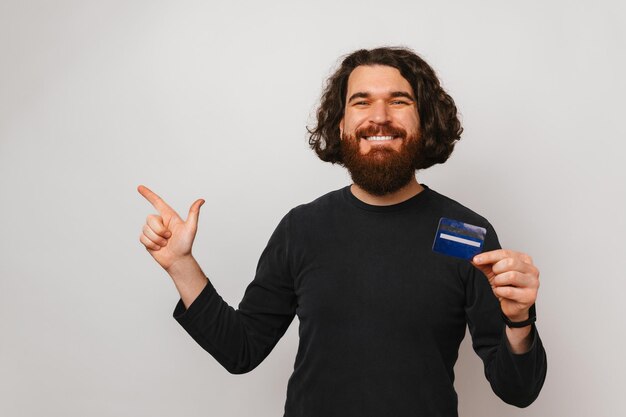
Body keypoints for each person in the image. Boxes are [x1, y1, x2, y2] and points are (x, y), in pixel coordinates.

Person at [137, 46, 547, 417]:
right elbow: (240, 350)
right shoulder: (302, 229)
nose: (380, 116)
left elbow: (517, 391)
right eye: (362, 102)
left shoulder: (467, 236)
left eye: (399, 101)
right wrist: (180, 264)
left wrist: (519, 320)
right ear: (340, 124)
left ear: (425, 121)